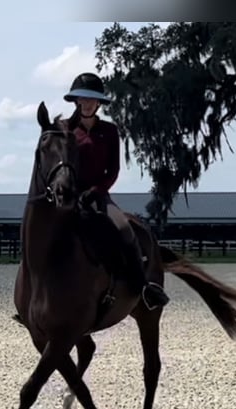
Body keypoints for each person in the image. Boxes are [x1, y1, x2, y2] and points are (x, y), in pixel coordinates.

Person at [64, 72, 170, 310]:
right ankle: (31, 294)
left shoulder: (110, 131)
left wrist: (96, 190)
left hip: (99, 195)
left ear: (98, 103)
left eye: (92, 99)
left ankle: (142, 286)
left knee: (123, 228)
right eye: (82, 99)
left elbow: (113, 170)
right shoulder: (65, 130)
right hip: (70, 195)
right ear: (76, 101)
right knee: (44, 227)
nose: (87, 103)